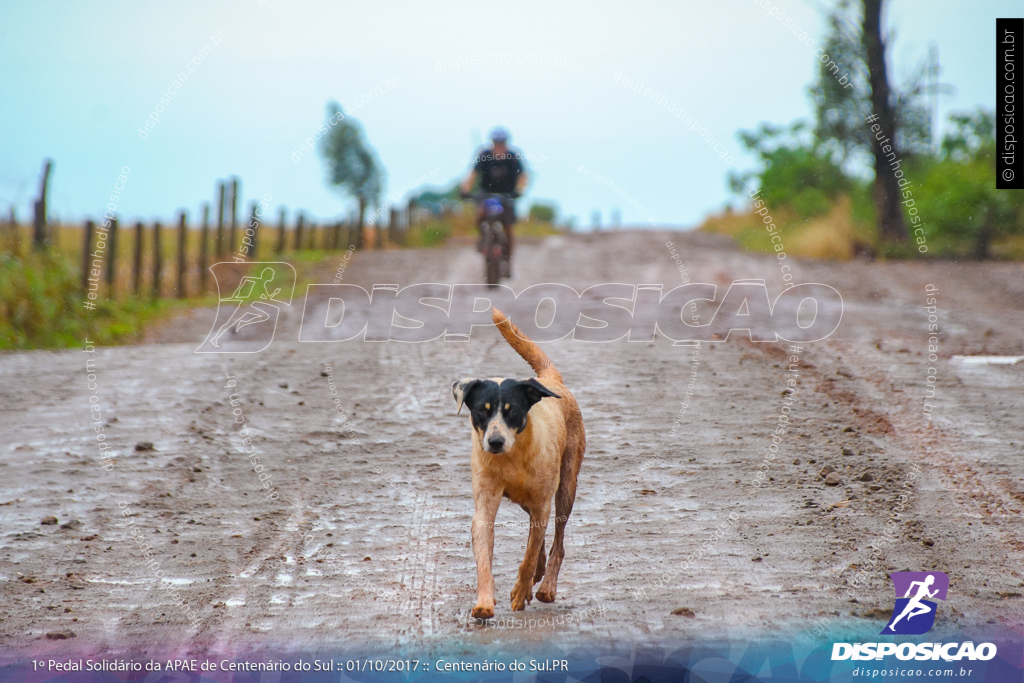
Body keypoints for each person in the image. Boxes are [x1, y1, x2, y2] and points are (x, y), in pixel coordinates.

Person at [460, 127, 529, 273]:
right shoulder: (484, 155)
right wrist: (465, 189)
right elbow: (473, 174)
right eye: (496, 142)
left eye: (501, 142)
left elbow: (523, 176)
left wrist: (519, 190)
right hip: (486, 193)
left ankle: (508, 260)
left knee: (508, 227)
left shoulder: (513, 157)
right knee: (480, 214)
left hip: (507, 195)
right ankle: (482, 238)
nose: (499, 145)